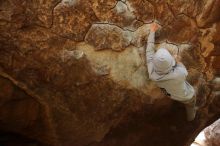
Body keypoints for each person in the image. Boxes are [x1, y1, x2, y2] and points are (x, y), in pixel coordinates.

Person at [146, 22, 196, 121]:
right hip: (187, 96)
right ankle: (191, 119)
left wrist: (152, 32)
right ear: (171, 64)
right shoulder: (179, 74)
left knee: (178, 95)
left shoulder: (152, 72)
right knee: (191, 105)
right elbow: (182, 69)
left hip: (171, 95)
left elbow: (149, 50)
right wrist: (177, 61)